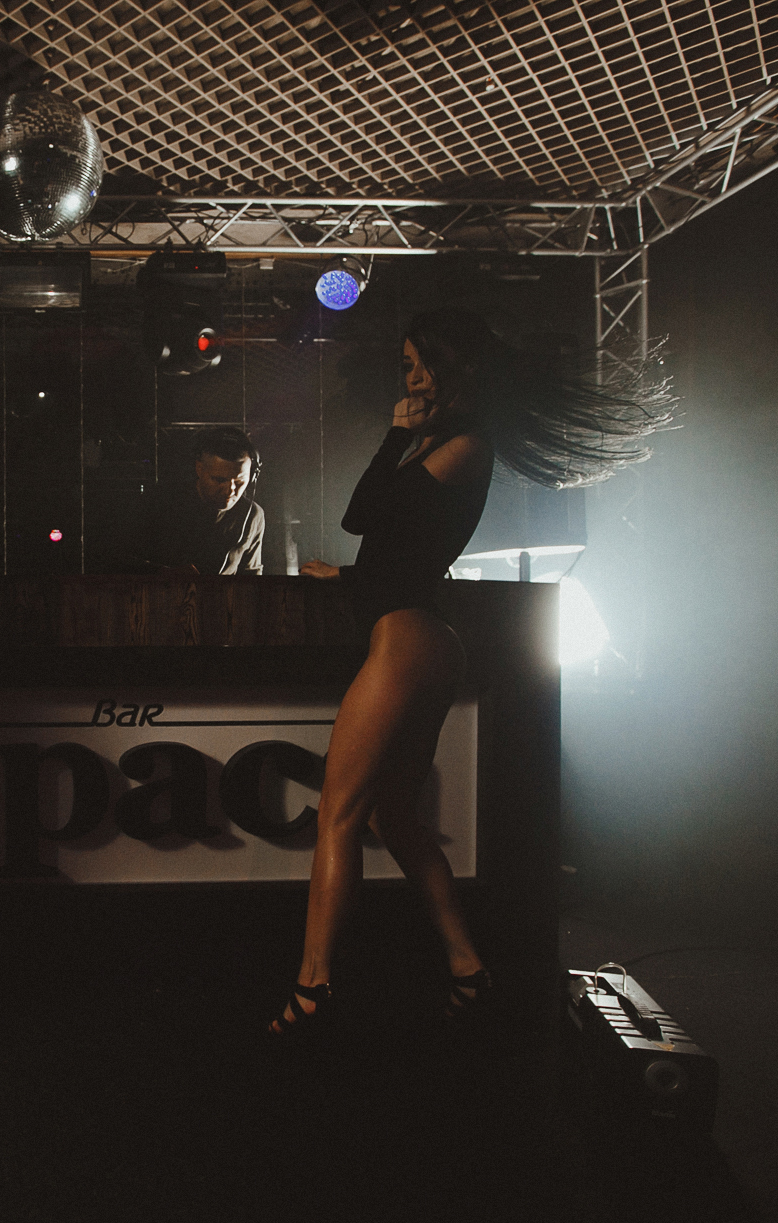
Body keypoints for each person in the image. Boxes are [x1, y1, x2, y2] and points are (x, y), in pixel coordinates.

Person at [274, 309, 674, 1037]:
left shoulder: (465, 445)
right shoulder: (446, 443)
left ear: (455, 365)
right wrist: (349, 576)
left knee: (338, 814)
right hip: (420, 637)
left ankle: (313, 989)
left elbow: (364, 516)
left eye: (419, 364)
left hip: (409, 641)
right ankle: (468, 968)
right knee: (395, 816)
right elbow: (399, 545)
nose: (411, 378)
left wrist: (396, 435)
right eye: (405, 366)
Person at [145, 427, 265, 574]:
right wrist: (164, 574)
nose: (230, 490)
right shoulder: (162, 504)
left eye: (240, 481)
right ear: (199, 468)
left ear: (252, 476)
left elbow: (251, 572)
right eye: (219, 480)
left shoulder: (252, 515)